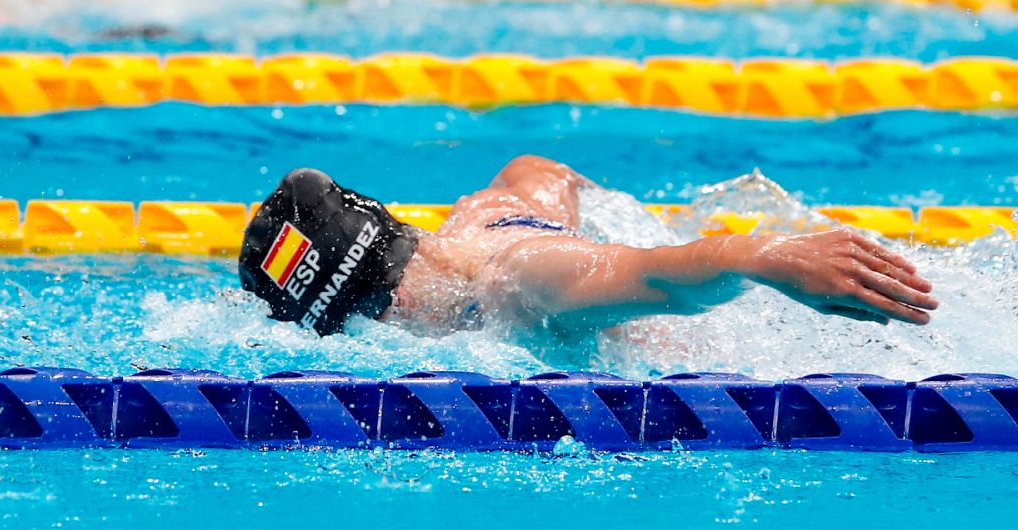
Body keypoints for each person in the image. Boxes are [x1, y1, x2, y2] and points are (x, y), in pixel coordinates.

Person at [238, 157, 938, 336]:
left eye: (373, 308)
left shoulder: (515, 282)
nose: (383, 327)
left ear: (400, 260)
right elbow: (536, 171)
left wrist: (766, 257)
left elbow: (658, 275)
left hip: (818, 328)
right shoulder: (481, 221)